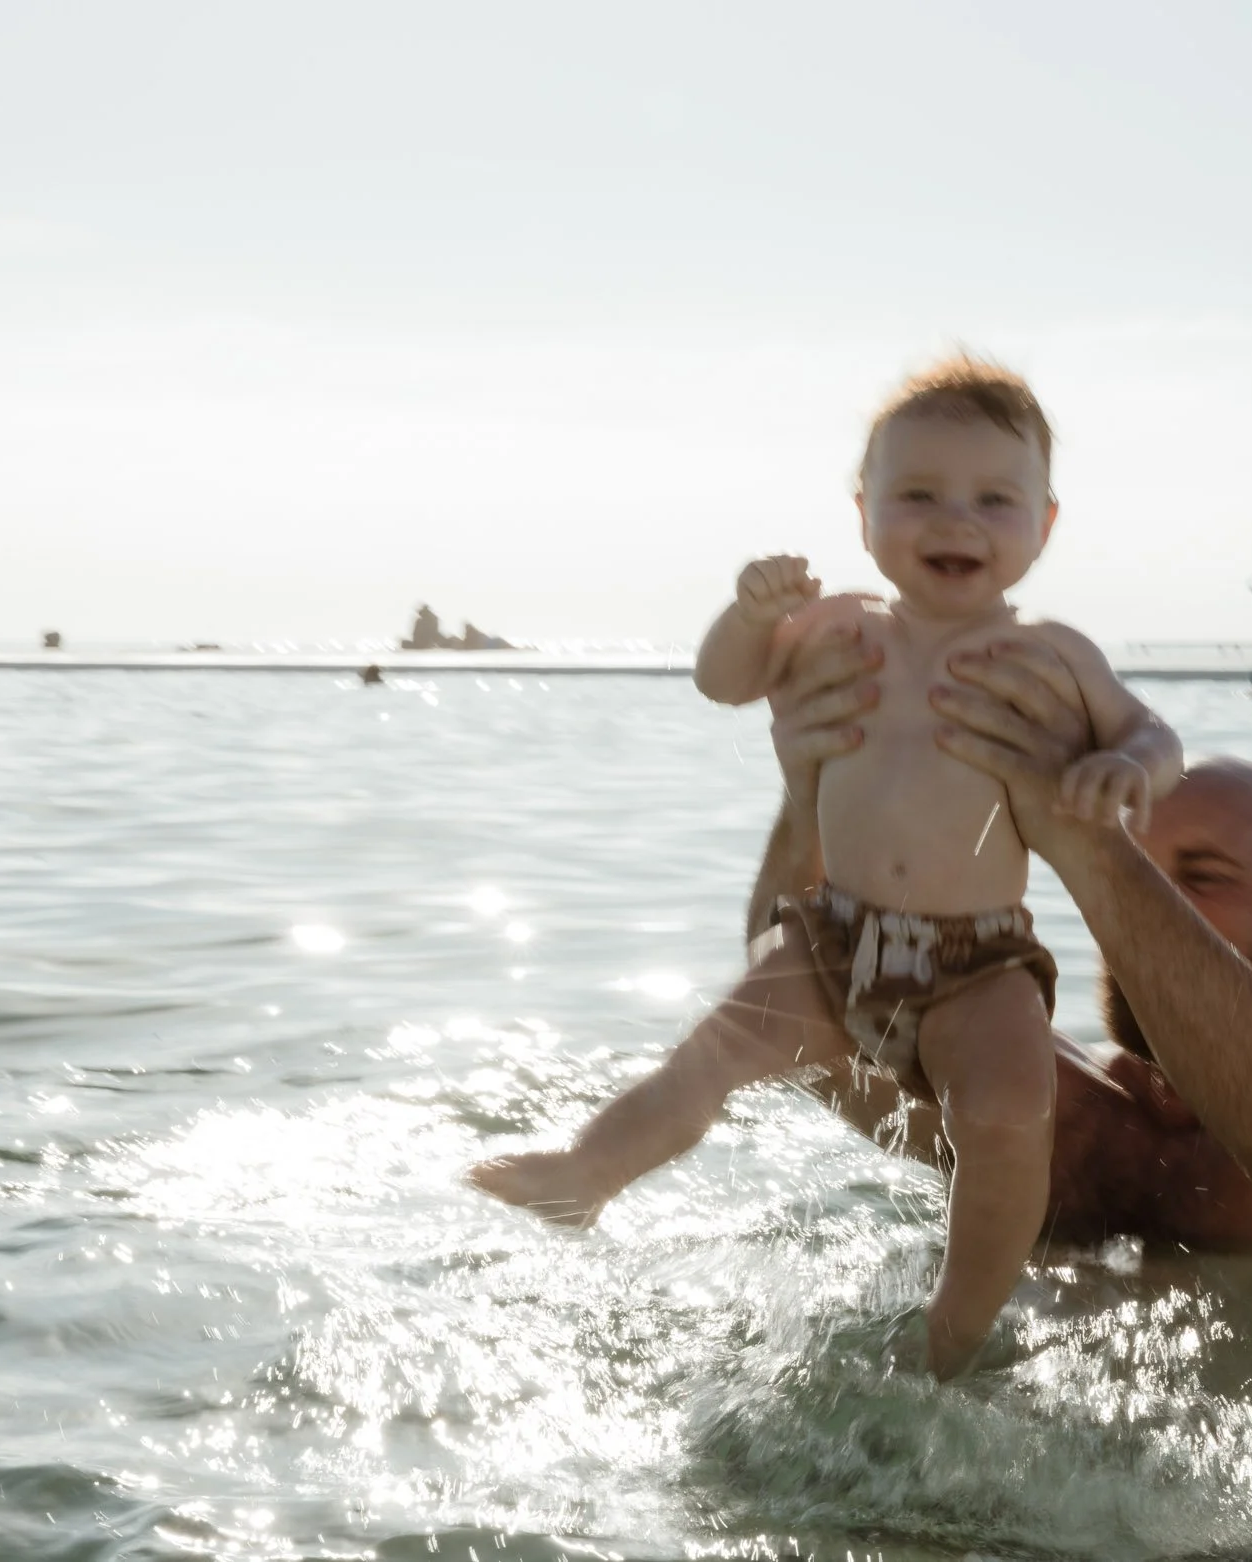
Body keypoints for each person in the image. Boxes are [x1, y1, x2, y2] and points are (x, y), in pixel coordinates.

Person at [471, 357, 1184, 1378]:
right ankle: (584, 1172)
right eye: (918, 494)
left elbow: (1155, 731)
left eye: (994, 498)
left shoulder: (1053, 652)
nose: (957, 520)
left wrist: (1126, 762)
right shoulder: (841, 625)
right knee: (710, 1054)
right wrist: (751, 615)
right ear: (863, 513)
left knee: (1008, 1109)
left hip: (978, 960)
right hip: (834, 935)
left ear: (1045, 524)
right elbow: (722, 682)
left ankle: (959, 1321)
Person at [764, 629, 1252, 1255]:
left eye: (1202, 878)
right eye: (1137, 876)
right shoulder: (1036, 1098)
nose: (1141, 912)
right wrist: (809, 792)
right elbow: (790, 1024)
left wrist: (1092, 848)